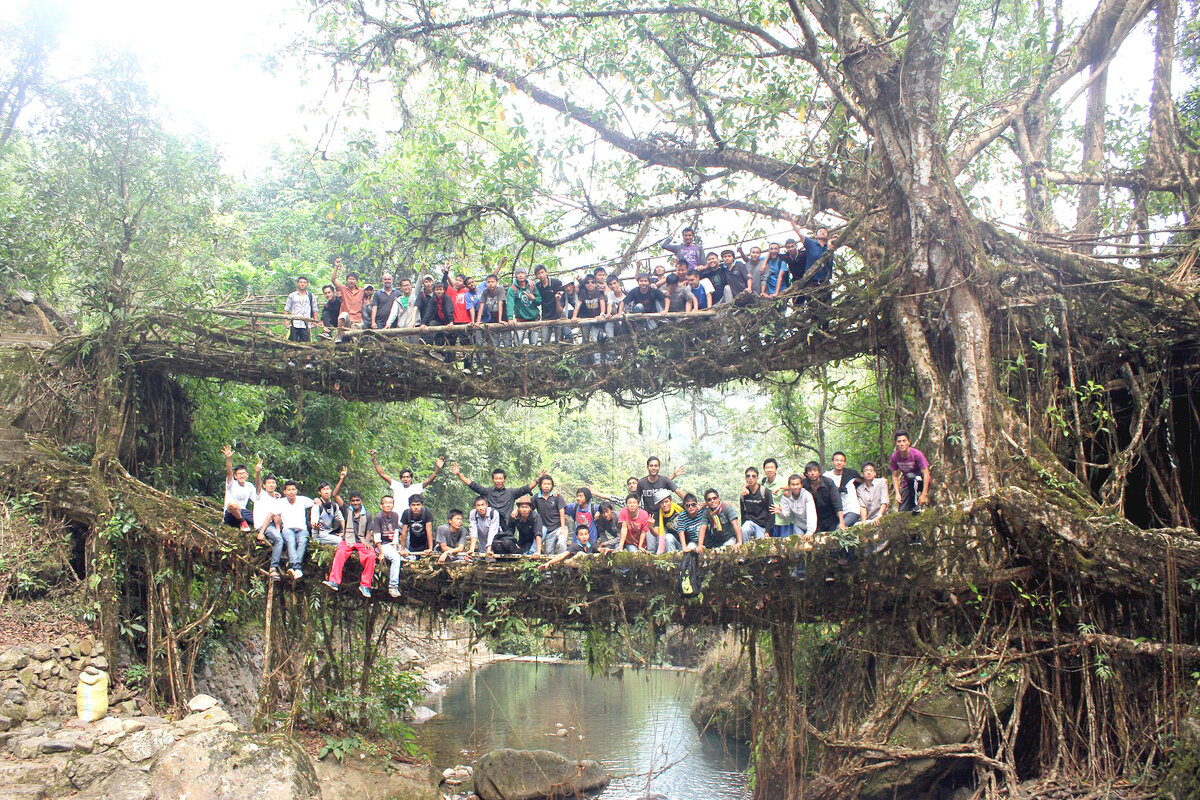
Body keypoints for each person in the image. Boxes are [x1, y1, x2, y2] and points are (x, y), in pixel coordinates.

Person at [449, 463, 542, 532]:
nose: (498, 481)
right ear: (493, 479)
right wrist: (459, 475)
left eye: (500, 478)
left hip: (507, 527)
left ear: (504, 480)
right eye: (496, 478)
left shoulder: (511, 493)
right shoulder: (488, 492)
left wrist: (538, 481)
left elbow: (525, 489)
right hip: (490, 526)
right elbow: (474, 486)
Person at [321, 488, 376, 598]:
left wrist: (367, 542)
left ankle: (365, 586)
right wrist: (342, 479)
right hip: (347, 540)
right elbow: (335, 494)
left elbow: (368, 531)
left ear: (361, 501)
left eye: (357, 500)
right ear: (350, 502)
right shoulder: (347, 510)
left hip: (361, 541)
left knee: (371, 556)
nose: (355, 503)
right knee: (340, 552)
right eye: (353, 501)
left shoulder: (368, 514)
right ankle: (334, 581)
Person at [369, 451, 445, 511]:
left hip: (410, 519)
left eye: (408, 477)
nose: (405, 479)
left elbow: (429, 480)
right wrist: (374, 461)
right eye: (403, 477)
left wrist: (437, 469)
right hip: (396, 519)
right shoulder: (397, 485)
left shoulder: (416, 487)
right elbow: (383, 475)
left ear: (411, 479)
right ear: (401, 479)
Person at [252, 459, 284, 580]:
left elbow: (276, 516)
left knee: (283, 538)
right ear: (265, 485)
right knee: (279, 540)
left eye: (273, 483)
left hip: (271, 525)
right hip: (262, 525)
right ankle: (273, 568)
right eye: (268, 483)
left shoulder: (276, 498)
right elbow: (258, 485)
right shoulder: (261, 495)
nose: (271, 484)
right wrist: (258, 473)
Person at [277, 480, 314, 581]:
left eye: (293, 489)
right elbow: (273, 512)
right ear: (285, 492)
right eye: (288, 490)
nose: (291, 492)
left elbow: (315, 503)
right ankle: (296, 567)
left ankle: (294, 568)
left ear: (296, 491)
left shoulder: (302, 500)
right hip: (288, 529)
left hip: (302, 529)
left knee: (303, 541)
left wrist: (317, 501)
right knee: (291, 541)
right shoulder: (281, 502)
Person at [889, 431, 931, 512]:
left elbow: (926, 473)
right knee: (902, 510)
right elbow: (894, 476)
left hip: (920, 480)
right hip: (908, 483)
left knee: (910, 476)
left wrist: (924, 494)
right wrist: (897, 493)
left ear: (908, 442)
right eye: (899, 441)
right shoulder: (895, 457)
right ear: (896, 443)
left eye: (904, 441)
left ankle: (916, 506)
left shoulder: (916, 454)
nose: (902, 444)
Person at [373, 495, 403, 597]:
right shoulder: (378, 517)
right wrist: (381, 552)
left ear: (393, 505)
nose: (388, 505)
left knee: (409, 555)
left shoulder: (395, 515)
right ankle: (393, 586)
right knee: (396, 558)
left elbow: (395, 533)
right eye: (385, 503)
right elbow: (376, 536)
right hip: (382, 545)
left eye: (390, 503)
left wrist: (395, 547)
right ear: (381, 505)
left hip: (391, 545)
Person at [538, 523, 605, 570]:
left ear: (588, 535)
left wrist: (610, 550)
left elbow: (600, 549)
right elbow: (562, 555)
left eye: (586, 534)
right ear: (577, 537)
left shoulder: (591, 543)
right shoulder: (575, 546)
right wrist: (548, 563)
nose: (584, 537)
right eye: (581, 535)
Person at [802, 461, 845, 532]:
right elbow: (794, 486)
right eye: (809, 471)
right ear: (806, 474)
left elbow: (837, 503)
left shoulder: (829, 483)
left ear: (819, 472)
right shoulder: (804, 484)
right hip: (815, 519)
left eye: (815, 470)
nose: (812, 473)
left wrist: (842, 523)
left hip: (831, 517)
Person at [772, 473, 817, 539]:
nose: (795, 487)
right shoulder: (786, 497)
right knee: (799, 544)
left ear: (801, 485)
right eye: (793, 485)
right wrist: (780, 512)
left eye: (797, 484)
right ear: (789, 486)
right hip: (798, 525)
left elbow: (811, 513)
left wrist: (810, 531)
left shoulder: (807, 495)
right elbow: (786, 514)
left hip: (810, 525)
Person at [221, 445, 255, 532]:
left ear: (247, 475)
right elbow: (229, 472)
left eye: (243, 473)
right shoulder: (232, 484)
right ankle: (242, 522)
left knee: (260, 517)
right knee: (233, 505)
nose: (242, 475)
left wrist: (273, 495)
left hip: (243, 512)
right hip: (231, 513)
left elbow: (258, 498)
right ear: (235, 476)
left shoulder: (249, 486)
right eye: (239, 474)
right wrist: (228, 459)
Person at [330, 257, 366, 339]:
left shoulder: (361, 291)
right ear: (347, 280)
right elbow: (333, 279)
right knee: (343, 315)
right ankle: (339, 335)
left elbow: (370, 294)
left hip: (357, 320)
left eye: (353, 279)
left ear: (356, 281)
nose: (351, 281)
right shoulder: (343, 289)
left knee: (355, 339)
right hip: (346, 319)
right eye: (350, 279)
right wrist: (336, 266)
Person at [824, 453, 862, 527]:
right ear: (832, 462)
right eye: (837, 460)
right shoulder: (827, 476)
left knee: (839, 529)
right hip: (837, 512)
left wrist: (881, 481)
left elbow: (865, 480)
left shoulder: (851, 474)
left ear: (844, 463)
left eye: (841, 461)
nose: (839, 463)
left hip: (852, 510)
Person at [310, 473, 347, 546]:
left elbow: (341, 519)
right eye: (323, 490)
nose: (326, 492)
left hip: (329, 534)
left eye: (328, 489)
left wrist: (345, 532)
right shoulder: (317, 506)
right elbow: (313, 524)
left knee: (342, 542)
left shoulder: (334, 505)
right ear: (319, 492)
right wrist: (316, 527)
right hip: (319, 535)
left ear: (330, 490)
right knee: (341, 542)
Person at [573, 273, 607, 354]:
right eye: (588, 283)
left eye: (592, 282)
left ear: (595, 284)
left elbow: (602, 303)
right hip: (587, 317)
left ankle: (605, 360)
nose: (590, 284)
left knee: (602, 338)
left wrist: (602, 314)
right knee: (585, 339)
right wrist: (574, 316)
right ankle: (584, 361)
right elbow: (578, 304)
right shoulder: (583, 293)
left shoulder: (599, 292)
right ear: (585, 285)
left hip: (598, 318)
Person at [533, 475, 567, 555]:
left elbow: (562, 513)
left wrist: (563, 528)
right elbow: (527, 507)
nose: (547, 486)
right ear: (540, 485)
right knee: (548, 552)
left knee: (561, 543)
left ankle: (563, 564)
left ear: (552, 486)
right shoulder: (536, 498)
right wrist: (516, 510)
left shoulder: (557, 497)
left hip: (558, 527)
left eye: (549, 484)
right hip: (547, 530)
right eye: (544, 484)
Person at [507, 267, 541, 342]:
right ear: (516, 276)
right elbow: (510, 304)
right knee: (517, 343)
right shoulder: (513, 289)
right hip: (520, 319)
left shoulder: (532, 286)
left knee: (534, 344)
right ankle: (518, 354)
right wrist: (510, 318)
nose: (520, 275)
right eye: (518, 274)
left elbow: (539, 301)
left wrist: (533, 299)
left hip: (534, 318)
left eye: (522, 273)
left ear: (525, 275)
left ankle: (533, 354)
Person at [739, 466, 774, 540]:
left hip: (762, 525)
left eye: (753, 476)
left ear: (757, 478)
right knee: (744, 530)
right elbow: (743, 513)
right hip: (749, 522)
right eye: (748, 476)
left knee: (760, 546)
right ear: (745, 478)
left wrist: (767, 531)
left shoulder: (765, 492)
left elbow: (771, 512)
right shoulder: (743, 494)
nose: (750, 478)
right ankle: (745, 550)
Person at [533, 264, 565, 345]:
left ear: (546, 272)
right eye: (538, 274)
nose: (541, 275)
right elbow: (538, 301)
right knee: (544, 341)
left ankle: (559, 358)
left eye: (542, 272)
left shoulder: (556, 283)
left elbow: (564, 297)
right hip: (546, 316)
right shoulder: (537, 286)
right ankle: (545, 358)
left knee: (559, 341)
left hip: (558, 315)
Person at [760, 458, 792, 537]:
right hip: (769, 520)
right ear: (764, 470)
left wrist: (781, 487)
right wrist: (745, 487)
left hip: (783, 520)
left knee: (785, 544)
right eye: (767, 468)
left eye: (772, 467)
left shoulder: (783, 481)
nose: (769, 470)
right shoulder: (763, 481)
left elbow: (794, 486)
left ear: (776, 469)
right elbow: (752, 483)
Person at [474, 273, 508, 346]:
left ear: (496, 282)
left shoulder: (500, 289)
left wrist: (500, 320)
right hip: (492, 318)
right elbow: (481, 306)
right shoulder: (485, 292)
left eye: (492, 282)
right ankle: (495, 357)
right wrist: (478, 321)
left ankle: (509, 357)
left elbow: (500, 304)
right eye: (488, 282)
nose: (490, 284)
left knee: (507, 341)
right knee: (494, 342)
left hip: (503, 317)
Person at [284, 276, 320, 342]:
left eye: (304, 282)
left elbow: (315, 309)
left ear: (307, 284)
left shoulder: (311, 296)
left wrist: (315, 320)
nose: (302, 284)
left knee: (306, 343)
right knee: (292, 343)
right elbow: (287, 308)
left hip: (306, 324)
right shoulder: (292, 295)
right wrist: (285, 321)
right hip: (294, 323)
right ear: (298, 283)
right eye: (301, 282)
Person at [400, 494, 435, 558]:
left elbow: (429, 530)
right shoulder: (406, 513)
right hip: (413, 541)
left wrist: (430, 548)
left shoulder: (427, 512)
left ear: (422, 505)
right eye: (413, 505)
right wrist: (402, 549)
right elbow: (404, 531)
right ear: (409, 506)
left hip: (425, 541)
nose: (416, 507)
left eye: (418, 505)